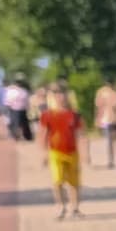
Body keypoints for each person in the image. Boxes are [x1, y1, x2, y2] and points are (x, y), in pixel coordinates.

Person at [36, 81, 83, 218]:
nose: (60, 97)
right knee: (57, 181)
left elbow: (80, 134)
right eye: (56, 94)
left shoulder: (73, 114)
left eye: (62, 94)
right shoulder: (48, 115)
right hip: (55, 152)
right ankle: (60, 206)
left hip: (72, 151)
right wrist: (43, 153)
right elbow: (43, 134)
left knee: (74, 182)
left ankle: (75, 208)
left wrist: (86, 153)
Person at [3, 75, 32, 142]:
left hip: (17, 109)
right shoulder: (17, 91)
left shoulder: (16, 91)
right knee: (20, 124)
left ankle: (21, 136)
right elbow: (8, 101)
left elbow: (8, 102)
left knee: (19, 124)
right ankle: (20, 136)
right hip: (17, 109)